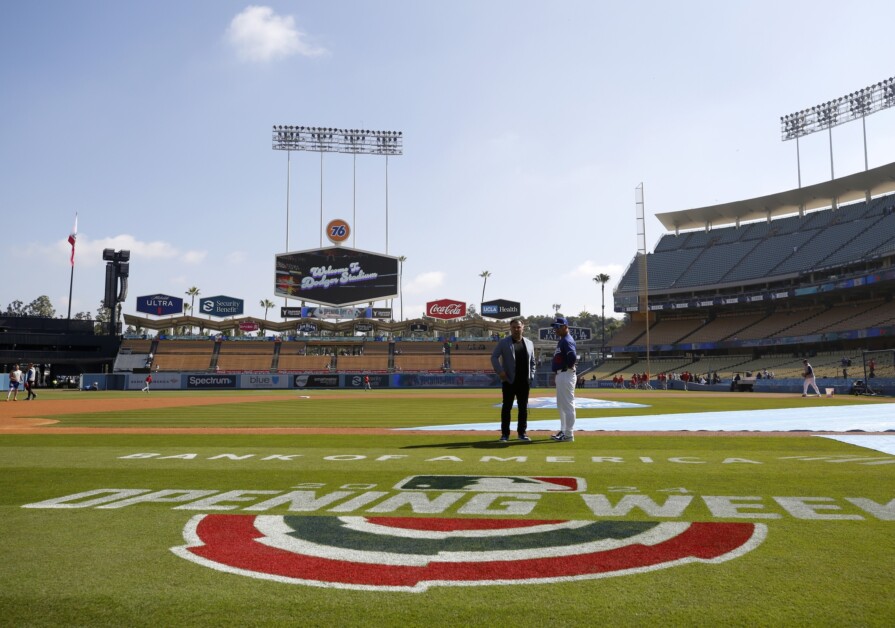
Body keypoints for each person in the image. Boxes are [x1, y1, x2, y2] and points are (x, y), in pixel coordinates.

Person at [490, 317, 536, 442]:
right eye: (514, 327)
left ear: (523, 328)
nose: (516, 329)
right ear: (510, 328)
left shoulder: (529, 343)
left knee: (523, 409)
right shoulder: (504, 343)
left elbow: (533, 362)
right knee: (507, 408)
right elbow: (494, 357)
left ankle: (522, 433)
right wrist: (500, 372)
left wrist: (531, 376)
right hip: (509, 381)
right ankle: (505, 434)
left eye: (518, 327)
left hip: (524, 382)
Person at [549, 316, 577, 442]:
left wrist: (567, 367)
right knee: (561, 405)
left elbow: (573, 356)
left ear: (565, 327)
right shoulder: (562, 340)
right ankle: (564, 430)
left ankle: (569, 434)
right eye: (554, 327)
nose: (555, 329)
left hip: (566, 374)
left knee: (567, 405)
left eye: (558, 327)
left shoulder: (567, 340)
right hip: (562, 374)